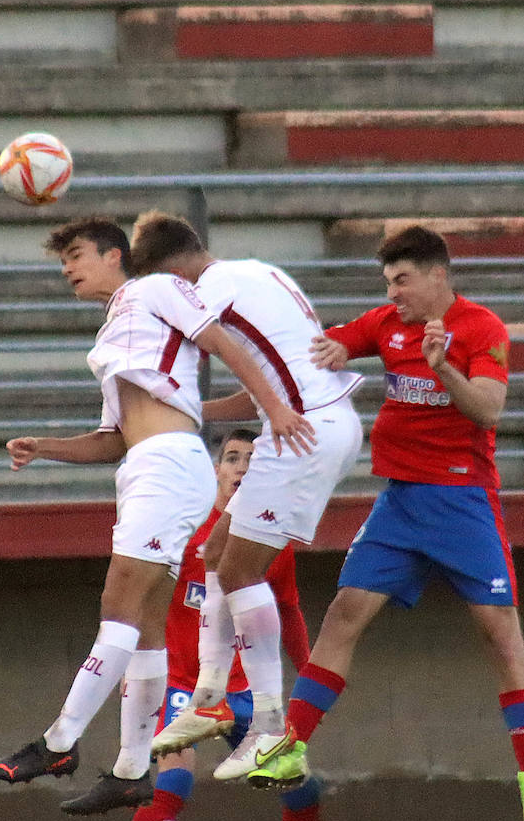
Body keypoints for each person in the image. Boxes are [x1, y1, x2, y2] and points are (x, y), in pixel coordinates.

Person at [0, 215, 315, 816]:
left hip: (168, 465)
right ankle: (133, 769)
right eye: (63, 261)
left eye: (77, 254)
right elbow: (115, 438)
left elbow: (222, 342)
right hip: (144, 464)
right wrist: (46, 447)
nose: (67, 268)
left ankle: (58, 744)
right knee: (147, 625)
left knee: (118, 607)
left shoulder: (154, 289)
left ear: (117, 255)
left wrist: (275, 409)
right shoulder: (113, 330)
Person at [245, 224, 524, 821]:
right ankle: (292, 746)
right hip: (400, 505)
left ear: (438, 276)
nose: (394, 293)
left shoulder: (482, 329)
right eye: (388, 282)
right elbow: (331, 343)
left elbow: (489, 410)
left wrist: (444, 370)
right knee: (343, 613)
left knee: (500, 635)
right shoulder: (386, 324)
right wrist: (333, 349)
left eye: (403, 280)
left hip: (463, 502)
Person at [130, 211, 363, 781]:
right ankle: (211, 699)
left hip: (300, 430)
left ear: (172, 275)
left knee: (239, 573)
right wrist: (198, 413)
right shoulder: (258, 272)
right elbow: (272, 371)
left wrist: (275, 412)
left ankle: (268, 728)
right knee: (216, 554)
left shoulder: (207, 293)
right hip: (312, 421)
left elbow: (260, 376)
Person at [127, 428, 324, 821]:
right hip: (184, 684)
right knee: (172, 782)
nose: (242, 467)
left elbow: (289, 612)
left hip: (247, 691)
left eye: (253, 460)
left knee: (301, 786)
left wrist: (311, 673)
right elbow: (140, 601)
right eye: (233, 458)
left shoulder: (272, 542)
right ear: (217, 471)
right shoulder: (182, 532)